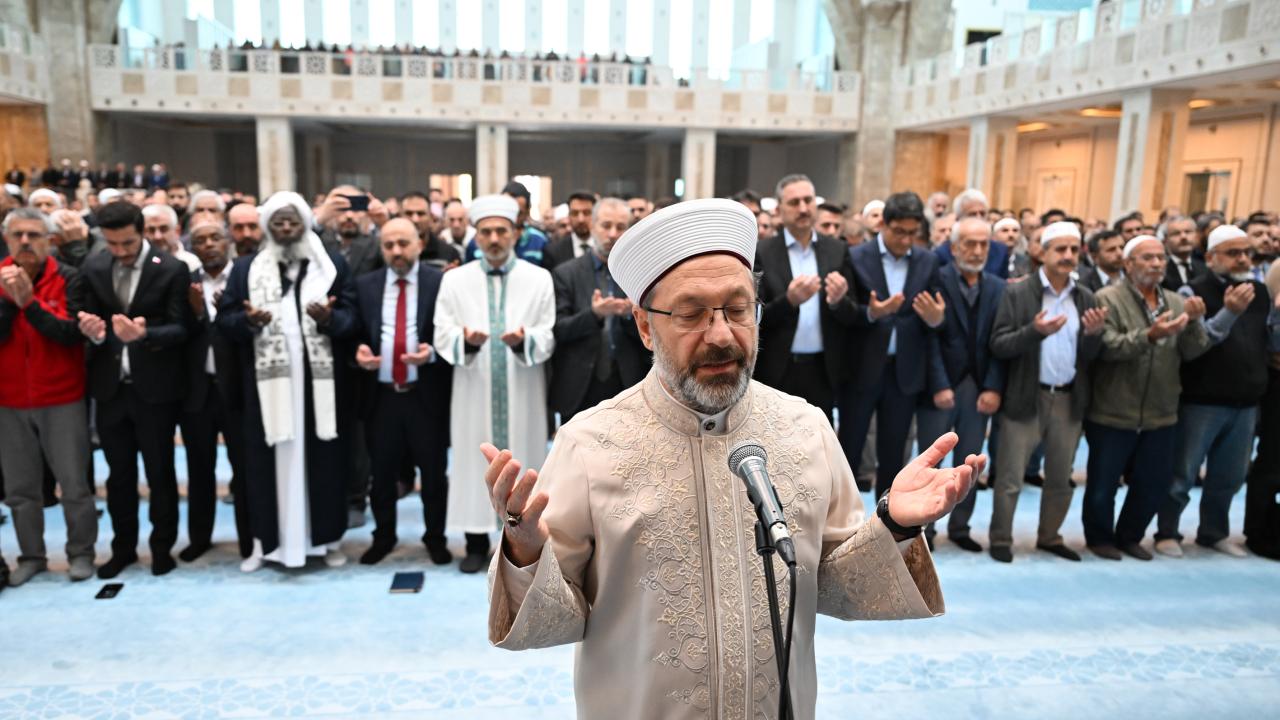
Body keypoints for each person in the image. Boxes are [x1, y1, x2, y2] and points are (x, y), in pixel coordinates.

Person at [483, 198, 983, 720]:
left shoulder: (805, 428)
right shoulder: (589, 444)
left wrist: (894, 524)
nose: (722, 335)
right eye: (691, 314)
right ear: (645, 326)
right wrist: (525, 549)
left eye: (738, 310)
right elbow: (554, 619)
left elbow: (834, 585)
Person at [216, 191, 358, 572]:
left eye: (292, 222)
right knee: (264, 469)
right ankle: (265, 545)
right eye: (277, 223)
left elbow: (353, 320)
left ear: (304, 225)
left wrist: (329, 320)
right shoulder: (246, 269)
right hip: (266, 391)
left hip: (319, 389)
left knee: (324, 465)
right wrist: (249, 322)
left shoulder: (331, 267)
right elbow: (225, 321)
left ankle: (326, 542)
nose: (285, 229)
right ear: (268, 228)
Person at [434, 194, 556, 574]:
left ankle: (521, 541)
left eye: (501, 231)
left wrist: (524, 341)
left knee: (525, 459)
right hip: (474, 386)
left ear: (515, 233)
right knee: (474, 458)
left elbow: (547, 333)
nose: (493, 238)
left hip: (523, 387)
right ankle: (475, 542)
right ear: (476, 236)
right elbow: (442, 332)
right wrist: (465, 342)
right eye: (485, 232)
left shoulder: (539, 278)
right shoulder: (455, 280)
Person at [78, 201, 191, 578]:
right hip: (110, 389)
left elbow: (181, 328)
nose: (121, 251)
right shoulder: (94, 266)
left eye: (127, 243)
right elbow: (91, 322)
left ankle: (161, 548)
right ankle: (123, 548)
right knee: (119, 476)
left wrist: (145, 335)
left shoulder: (171, 268)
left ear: (141, 232)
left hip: (155, 389)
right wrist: (94, 333)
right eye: (112, 244)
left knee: (160, 473)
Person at [1156, 225, 1280, 557]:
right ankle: (1167, 532)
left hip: (1246, 401)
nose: (1242, 259)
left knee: (1229, 477)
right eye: (1233, 253)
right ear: (1211, 258)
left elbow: (1271, 344)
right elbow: (1194, 345)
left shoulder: (1259, 291)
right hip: (1202, 400)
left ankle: (1213, 533)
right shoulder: (1192, 291)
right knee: (1182, 475)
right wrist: (1229, 312)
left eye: (1246, 253)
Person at [1084, 235, 1210, 560]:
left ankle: (1130, 536)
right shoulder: (1107, 298)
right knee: (1103, 484)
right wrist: (1148, 337)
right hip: (1114, 408)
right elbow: (1107, 347)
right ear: (1128, 264)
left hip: (1161, 410)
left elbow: (1193, 351)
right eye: (1147, 258)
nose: (1156, 263)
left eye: (1160, 258)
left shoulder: (1176, 301)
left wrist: (1194, 323)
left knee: (1152, 482)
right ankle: (1100, 538)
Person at [987, 222, 1106, 563]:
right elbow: (999, 344)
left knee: (1059, 477)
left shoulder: (1086, 297)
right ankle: (1001, 538)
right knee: (1010, 477)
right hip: (1026, 395)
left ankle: (1050, 536)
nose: (1068, 255)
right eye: (1060, 249)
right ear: (1042, 252)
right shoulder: (1017, 293)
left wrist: (1094, 336)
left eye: (1074, 249)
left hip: (1068, 398)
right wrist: (1034, 331)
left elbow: (1090, 357)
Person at [0, 208, 98, 585]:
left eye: (34, 235)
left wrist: (28, 302)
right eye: (18, 235)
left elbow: (70, 334)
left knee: (74, 484)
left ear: (50, 241)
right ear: (7, 240)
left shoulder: (69, 277)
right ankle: (31, 556)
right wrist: (10, 300)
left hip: (62, 397)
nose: (26, 242)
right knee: (20, 489)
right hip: (9, 399)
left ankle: (81, 553)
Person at [353, 218, 452, 565]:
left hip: (425, 395)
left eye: (403, 243)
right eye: (389, 245)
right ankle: (383, 537)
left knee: (433, 473)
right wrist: (358, 352)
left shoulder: (439, 283)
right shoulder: (365, 285)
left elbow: (450, 332)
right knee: (381, 474)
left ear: (419, 245)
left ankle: (435, 538)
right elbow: (355, 332)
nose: (396, 251)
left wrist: (432, 353)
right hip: (380, 396)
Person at [839, 191, 946, 499]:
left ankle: (886, 519)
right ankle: (841, 520)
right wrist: (873, 312)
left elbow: (937, 315)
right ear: (883, 225)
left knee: (894, 454)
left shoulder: (927, 261)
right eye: (899, 232)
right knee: (848, 452)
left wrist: (937, 318)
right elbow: (845, 314)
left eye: (912, 233)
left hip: (904, 372)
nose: (905, 240)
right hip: (862, 369)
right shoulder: (857, 256)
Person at [915, 217, 1006, 552]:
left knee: (971, 462)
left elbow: (999, 343)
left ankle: (960, 526)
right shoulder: (935, 280)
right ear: (954, 248)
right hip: (940, 386)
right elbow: (928, 340)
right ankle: (925, 528)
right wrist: (939, 384)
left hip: (978, 387)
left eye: (984, 244)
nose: (977, 250)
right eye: (970, 243)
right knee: (931, 461)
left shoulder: (998, 287)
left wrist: (993, 387)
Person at [754, 175, 859, 419]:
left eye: (808, 200)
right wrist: (789, 301)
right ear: (779, 210)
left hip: (823, 369)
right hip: (778, 369)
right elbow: (752, 317)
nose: (803, 208)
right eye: (794, 202)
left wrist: (838, 301)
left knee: (818, 438)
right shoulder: (763, 251)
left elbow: (853, 314)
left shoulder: (836, 249)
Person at [179, 219, 252, 561]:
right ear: (191, 247)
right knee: (199, 468)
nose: (208, 244)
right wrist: (196, 315)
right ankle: (200, 538)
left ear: (228, 241)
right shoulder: (185, 283)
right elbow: (179, 331)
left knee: (245, 467)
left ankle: (250, 539)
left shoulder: (246, 279)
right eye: (200, 240)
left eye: (215, 237)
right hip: (198, 390)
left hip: (237, 388)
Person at [549, 197, 648, 422]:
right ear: (592, 226)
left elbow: (654, 334)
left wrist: (629, 317)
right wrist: (594, 315)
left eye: (620, 227)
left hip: (628, 383)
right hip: (579, 385)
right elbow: (559, 330)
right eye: (606, 226)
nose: (612, 234)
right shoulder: (566, 273)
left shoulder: (638, 275)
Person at [544, 191, 596, 268]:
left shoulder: (608, 248)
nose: (580, 219)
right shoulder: (553, 251)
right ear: (569, 216)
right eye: (575, 213)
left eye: (586, 213)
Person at [142, 204, 201, 271]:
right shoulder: (136, 263)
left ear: (177, 231)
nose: (157, 237)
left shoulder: (191, 263)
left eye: (163, 229)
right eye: (151, 230)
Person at [1162, 215, 1207, 291]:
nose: (1183, 237)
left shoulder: (1204, 268)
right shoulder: (1161, 270)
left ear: (1196, 235)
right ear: (1166, 240)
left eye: (1188, 232)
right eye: (1176, 233)